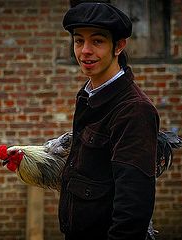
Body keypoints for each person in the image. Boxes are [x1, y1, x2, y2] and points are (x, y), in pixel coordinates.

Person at [58, 2, 160, 240]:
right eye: (78, 40)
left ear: (119, 46)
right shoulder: (88, 95)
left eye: (97, 41)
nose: (85, 50)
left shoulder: (134, 110)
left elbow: (132, 212)